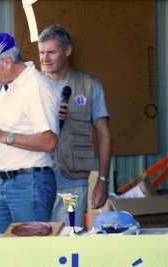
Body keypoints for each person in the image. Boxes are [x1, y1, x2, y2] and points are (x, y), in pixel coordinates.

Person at [0, 32, 59, 234]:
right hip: (8, 183)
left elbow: (49, 141)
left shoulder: (35, 87)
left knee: (31, 256)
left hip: (29, 184)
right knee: (10, 255)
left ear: (7, 62)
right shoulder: (9, 88)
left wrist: (1, 135)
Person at [37, 24, 112, 228]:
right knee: (37, 245)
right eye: (42, 52)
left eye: (51, 52)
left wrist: (103, 180)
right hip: (38, 179)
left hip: (74, 180)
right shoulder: (33, 85)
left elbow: (104, 134)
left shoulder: (89, 85)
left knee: (70, 238)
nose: (45, 59)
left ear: (67, 50)